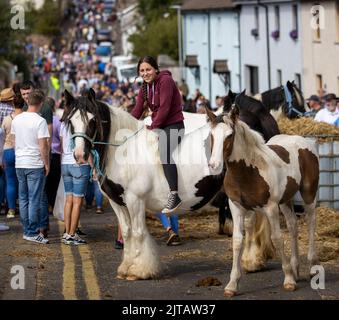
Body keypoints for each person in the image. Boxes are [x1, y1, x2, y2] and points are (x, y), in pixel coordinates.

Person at [131, 56, 185, 213]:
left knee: (164, 152)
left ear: (156, 69)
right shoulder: (145, 87)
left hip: (174, 125)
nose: (145, 73)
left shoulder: (165, 81)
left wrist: (154, 127)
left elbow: (165, 108)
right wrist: (127, 125)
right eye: (142, 70)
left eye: (148, 69)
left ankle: (175, 195)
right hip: (159, 125)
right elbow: (138, 109)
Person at [11, 89, 50, 244]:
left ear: (28, 101)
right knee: (34, 199)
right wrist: (46, 164)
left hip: (20, 162)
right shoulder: (40, 121)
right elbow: (43, 147)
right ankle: (32, 232)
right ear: (40, 103)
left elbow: (13, 142)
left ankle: (27, 230)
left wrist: (19, 155)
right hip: (34, 163)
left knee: (23, 198)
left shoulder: (17, 119)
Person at [60, 109, 90, 245]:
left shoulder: (63, 124)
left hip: (65, 163)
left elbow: (61, 145)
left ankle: (67, 233)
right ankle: (72, 234)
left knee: (68, 200)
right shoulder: (81, 123)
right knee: (77, 202)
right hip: (78, 164)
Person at [1, 94, 24, 218]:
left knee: (10, 181)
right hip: (22, 151)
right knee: (22, 181)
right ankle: (23, 206)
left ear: (13, 104)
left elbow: (2, 136)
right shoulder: (25, 118)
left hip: (8, 150)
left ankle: (11, 209)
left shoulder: (7, 119)